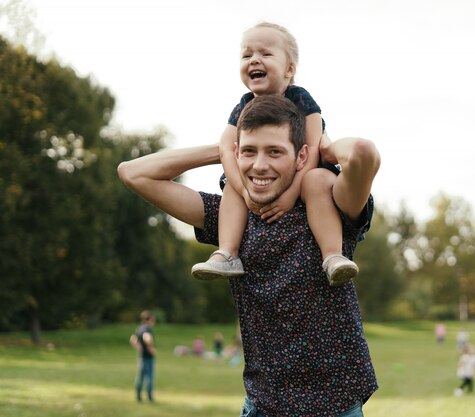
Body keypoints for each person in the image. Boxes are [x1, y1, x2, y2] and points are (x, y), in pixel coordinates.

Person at [118, 94, 380, 416]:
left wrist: (324, 147)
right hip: (263, 405)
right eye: (249, 151)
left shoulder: (327, 206)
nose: (259, 165)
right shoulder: (231, 217)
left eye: (275, 152)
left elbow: (363, 153)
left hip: (336, 406)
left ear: (301, 157)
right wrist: (223, 151)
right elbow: (134, 173)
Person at [190, 21, 359, 286]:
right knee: (231, 185)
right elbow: (226, 147)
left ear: (289, 69)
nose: (254, 60)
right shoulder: (244, 105)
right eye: (247, 55)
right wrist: (244, 190)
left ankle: (332, 256)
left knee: (316, 180)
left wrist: (291, 194)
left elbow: (312, 147)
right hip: (263, 179)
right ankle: (227, 253)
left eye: (265, 54)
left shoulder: (301, 98)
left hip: (305, 173)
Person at [129, 310, 157, 403]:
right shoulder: (147, 329)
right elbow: (147, 338)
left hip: (141, 356)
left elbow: (133, 339)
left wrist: (139, 348)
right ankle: (150, 398)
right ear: (150, 319)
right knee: (149, 377)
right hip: (148, 357)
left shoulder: (139, 328)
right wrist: (150, 348)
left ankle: (138, 397)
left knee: (140, 377)